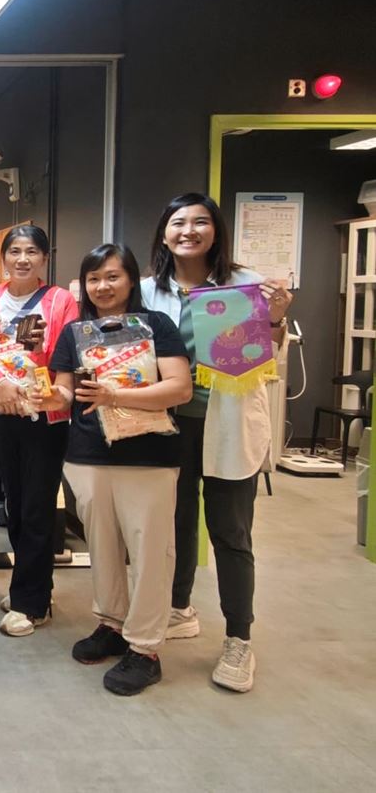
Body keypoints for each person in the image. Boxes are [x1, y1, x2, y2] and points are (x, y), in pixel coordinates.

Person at [141, 193, 292, 693]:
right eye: (178, 222)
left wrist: (275, 317)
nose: (189, 230)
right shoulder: (147, 291)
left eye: (200, 222)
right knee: (175, 522)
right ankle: (179, 607)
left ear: (216, 230)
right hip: (169, 424)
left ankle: (238, 638)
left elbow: (265, 355)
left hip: (228, 422)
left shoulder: (246, 285)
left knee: (230, 531)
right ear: (164, 233)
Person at [40, 244, 192, 695]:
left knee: (150, 551)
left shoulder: (155, 325)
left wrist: (115, 396)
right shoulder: (76, 332)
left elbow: (179, 388)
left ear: (131, 280)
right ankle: (112, 623)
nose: (102, 286)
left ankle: (145, 647)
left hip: (149, 455)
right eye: (94, 278)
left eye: (112, 276)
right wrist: (46, 395)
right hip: (88, 455)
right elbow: (66, 391)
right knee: (102, 544)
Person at [0, 224, 77, 637]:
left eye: (31, 252)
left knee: (37, 506)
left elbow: (68, 355)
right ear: (3, 258)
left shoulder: (60, 300)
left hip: (45, 416)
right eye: (15, 251)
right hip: (0, 411)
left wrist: (40, 365)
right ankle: (31, 585)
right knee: (14, 501)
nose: (22, 259)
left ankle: (32, 602)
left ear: (44, 258)